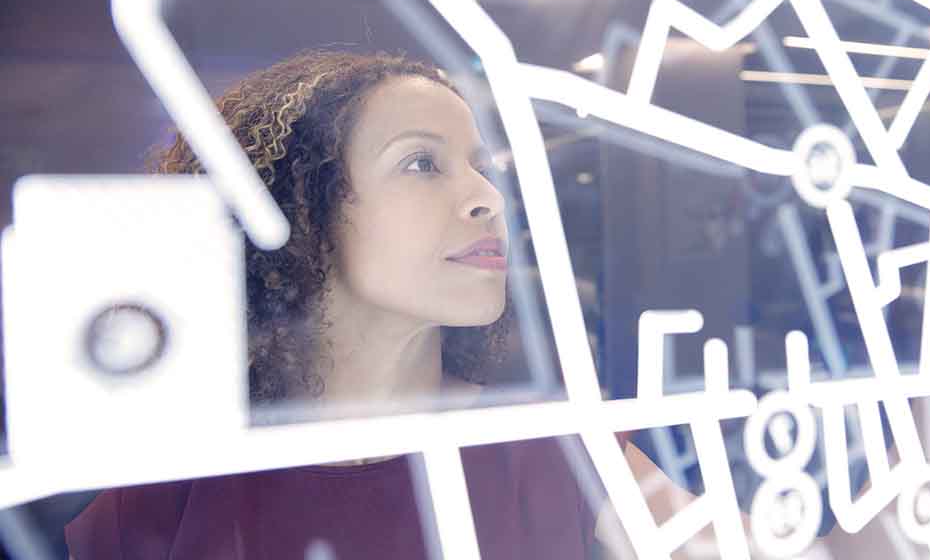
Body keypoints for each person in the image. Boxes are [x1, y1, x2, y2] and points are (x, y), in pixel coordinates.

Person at [63, 50, 652, 559]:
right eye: (421, 163)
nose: (487, 197)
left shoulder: (554, 446)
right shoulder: (171, 486)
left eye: (481, 167)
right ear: (301, 211)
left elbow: (717, 540)